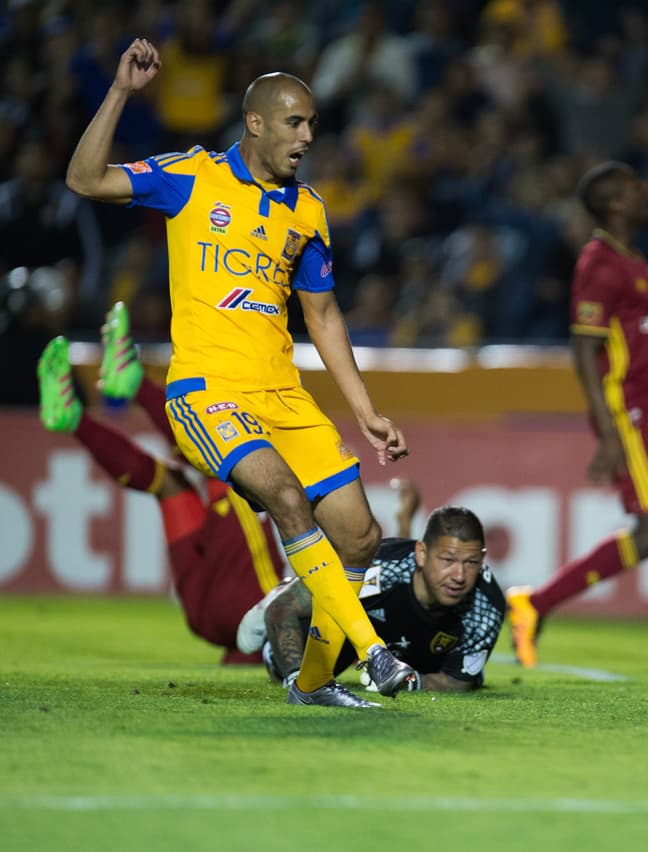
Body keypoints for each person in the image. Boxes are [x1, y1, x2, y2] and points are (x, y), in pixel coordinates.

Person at [64, 39, 417, 708]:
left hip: (283, 395)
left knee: (360, 536)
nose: (308, 136)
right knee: (285, 498)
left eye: (313, 123)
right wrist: (120, 93)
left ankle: (313, 686)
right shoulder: (191, 177)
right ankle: (373, 651)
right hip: (207, 391)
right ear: (255, 123)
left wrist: (365, 409)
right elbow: (85, 180)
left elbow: (324, 316)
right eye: (295, 122)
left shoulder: (308, 210)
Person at [505, 162, 648, 673]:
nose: (643, 190)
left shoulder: (637, 262)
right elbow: (584, 352)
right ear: (613, 204)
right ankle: (536, 603)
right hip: (629, 415)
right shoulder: (598, 263)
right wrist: (608, 432)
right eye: (633, 187)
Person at [37, 303, 284, 664]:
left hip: (226, 610)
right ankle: (78, 413)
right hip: (239, 611)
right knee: (187, 481)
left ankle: (113, 394)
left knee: (223, 464)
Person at [238, 496, 505, 704]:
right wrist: (298, 679)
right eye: (448, 560)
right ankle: (291, 586)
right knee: (281, 667)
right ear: (421, 554)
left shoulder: (486, 605)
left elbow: (460, 680)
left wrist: (414, 683)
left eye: (471, 563)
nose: (459, 575)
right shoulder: (378, 568)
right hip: (350, 630)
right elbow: (282, 611)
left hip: (416, 655)